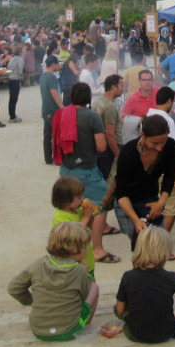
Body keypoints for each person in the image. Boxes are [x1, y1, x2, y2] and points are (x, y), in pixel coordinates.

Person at [55, 82, 119, 264]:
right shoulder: (92, 117)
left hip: (66, 169)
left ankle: (68, 244)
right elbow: (101, 146)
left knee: (72, 206)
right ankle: (97, 249)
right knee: (101, 206)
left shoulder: (61, 115)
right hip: (86, 170)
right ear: (88, 97)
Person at [8, 221, 99, 342]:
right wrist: (87, 275)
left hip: (38, 330)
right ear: (74, 249)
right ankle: (85, 326)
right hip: (70, 331)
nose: (87, 251)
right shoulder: (79, 270)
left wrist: (31, 300)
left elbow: (13, 288)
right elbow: (83, 297)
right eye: (84, 247)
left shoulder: (38, 264)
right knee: (94, 287)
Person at [115, 227, 175, 343]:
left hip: (136, 334)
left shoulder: (128, 276)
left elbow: (120, 310)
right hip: (166, 332)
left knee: (118, 308)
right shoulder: (171, 277)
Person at [114, 114, 175, 251]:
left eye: (163, 142)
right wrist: (136, 221)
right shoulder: (128, 152)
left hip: (150, 199)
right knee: (140, 249)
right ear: (143, 135)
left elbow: (169, 176)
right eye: (155, 143)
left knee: (155, 247)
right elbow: (121, 194)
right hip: (127, 203)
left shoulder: (171, 146)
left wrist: (161, 202)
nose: (160, 148)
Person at [146, 86, 175, 236]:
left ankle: (152, 237)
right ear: (170, 101)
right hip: (163, 171)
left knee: (154, 204)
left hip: (149, 169)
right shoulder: (167, 121)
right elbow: (170, 151)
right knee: (171, 206)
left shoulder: (149, 115)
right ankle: (161, 241)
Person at [51, 175, 98, 279]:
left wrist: (90, 216)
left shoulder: (78, 210)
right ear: (66, 200)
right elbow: (73, 235)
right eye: (79, 197)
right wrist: (85, 217)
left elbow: (87, 227)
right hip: (75, 265)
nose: (82, 199)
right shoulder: (60, 217)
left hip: (87, 256)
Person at [121, 67, 157, 144]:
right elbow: (121, 118)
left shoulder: (158, 92)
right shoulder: (133, 99)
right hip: (141, 139)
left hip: (158, 136)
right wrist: (137, 123)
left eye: (149, 80)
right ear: (139, 81)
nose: (147, 82)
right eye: (144, 80)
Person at [40, 55, 63, 164]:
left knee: (47, 135)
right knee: (56, 135)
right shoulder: (52, 77)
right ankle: (58, 158)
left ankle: (48, 158)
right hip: (52, 109)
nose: (59, 66)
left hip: (45, 109)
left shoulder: (43, 76)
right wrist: (62, 107)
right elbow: (54, 92)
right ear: (53, 64)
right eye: (58, 64)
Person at [4, 43, 25, 122]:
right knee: (14, 98)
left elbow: (9, 67)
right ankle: (12, 116)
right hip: (16, 79)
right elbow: (20, 70)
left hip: (10, 78)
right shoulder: (20, 59)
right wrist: (21, 77)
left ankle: (12, 114)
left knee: (11, 98)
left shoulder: (12, 58)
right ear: (20, 52)